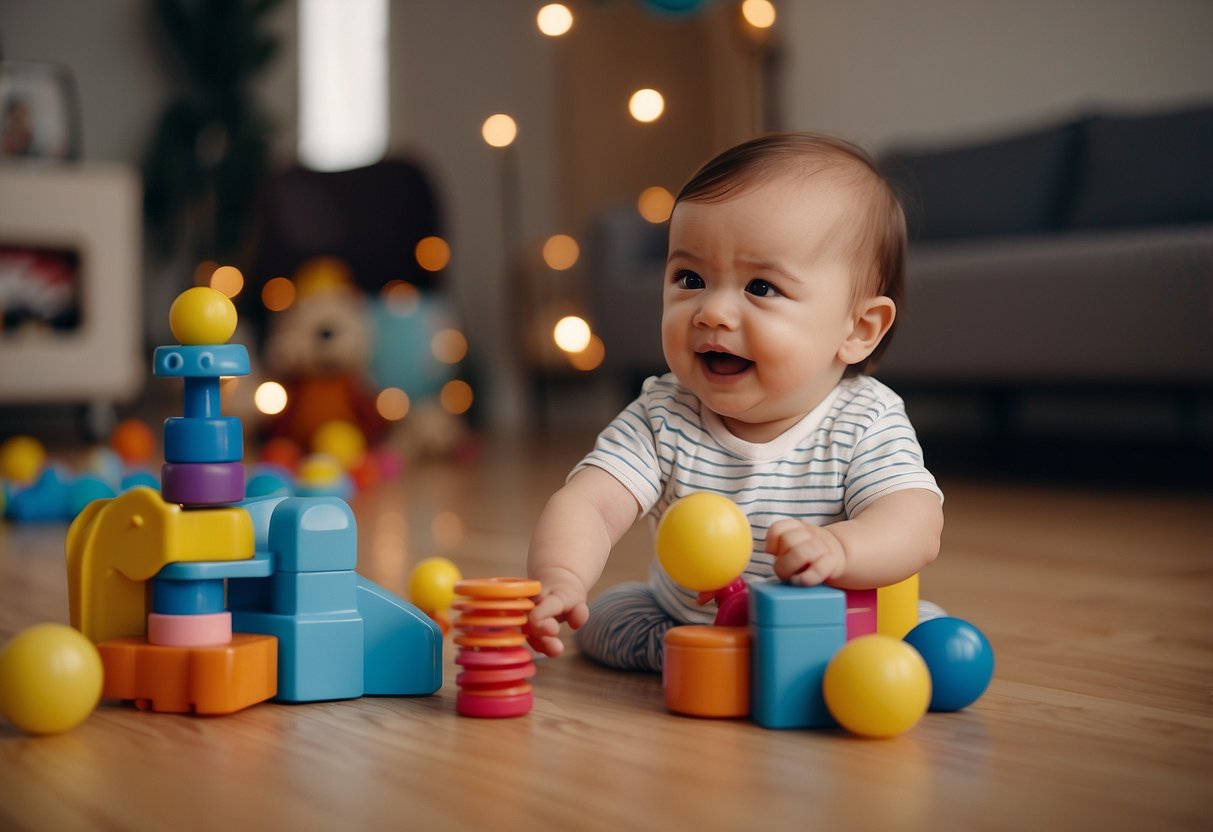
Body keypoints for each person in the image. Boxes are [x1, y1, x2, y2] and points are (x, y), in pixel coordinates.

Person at [526, 132, 944, 671]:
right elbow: (591, 503)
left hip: (834, 620)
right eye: (690, 278)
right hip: (693, 620)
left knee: (923, 628)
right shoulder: (664, 414)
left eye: (761, 288)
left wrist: (842, 549)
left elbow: (914, 522)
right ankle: (716, 655)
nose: (712, 312)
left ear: (859, 328)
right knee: (610, 615)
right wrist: (560, 577)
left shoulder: (865, 420)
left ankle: (817, 658)